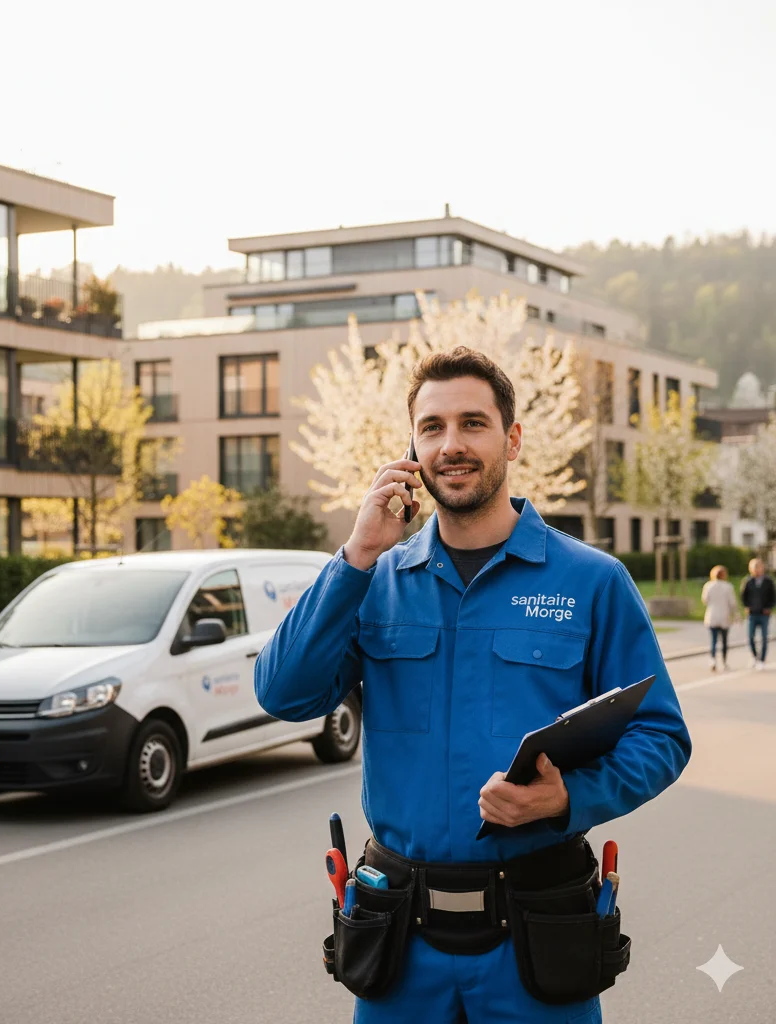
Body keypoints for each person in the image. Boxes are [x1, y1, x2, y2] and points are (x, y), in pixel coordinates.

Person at [255, 346, 691, 1024]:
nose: (451, 445)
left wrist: (567, 796)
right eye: (432, 428)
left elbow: (661, 736)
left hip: (537, 934)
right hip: (401, 941)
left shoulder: (592, 581)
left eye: (472, 423)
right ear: (412, 448)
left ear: (511, 439)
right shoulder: (375, 582)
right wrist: (356, 555)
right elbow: (284, 694)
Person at [740, 558, 775, 670]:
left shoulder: (768, 581)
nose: (756, 570)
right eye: (754, 568)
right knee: (750, 637)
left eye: (758, 567)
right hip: (752, 613)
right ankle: (755, 656)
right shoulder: (748, 581)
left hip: (764, 613)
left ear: (762, 568)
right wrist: (747, 606)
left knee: (764, 638)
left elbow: (773, 596)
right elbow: (743, 596)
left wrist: (768, 607)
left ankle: (762, 660)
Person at [701, 565, 738, 671]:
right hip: (724, 617)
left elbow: (705, 600)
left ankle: (712, 659)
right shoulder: (728, 586)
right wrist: (736, 616)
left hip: (712, 616)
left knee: (713, 641)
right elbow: (732, 603)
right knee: (724, 641)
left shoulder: (708, 585)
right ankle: (724, 661)